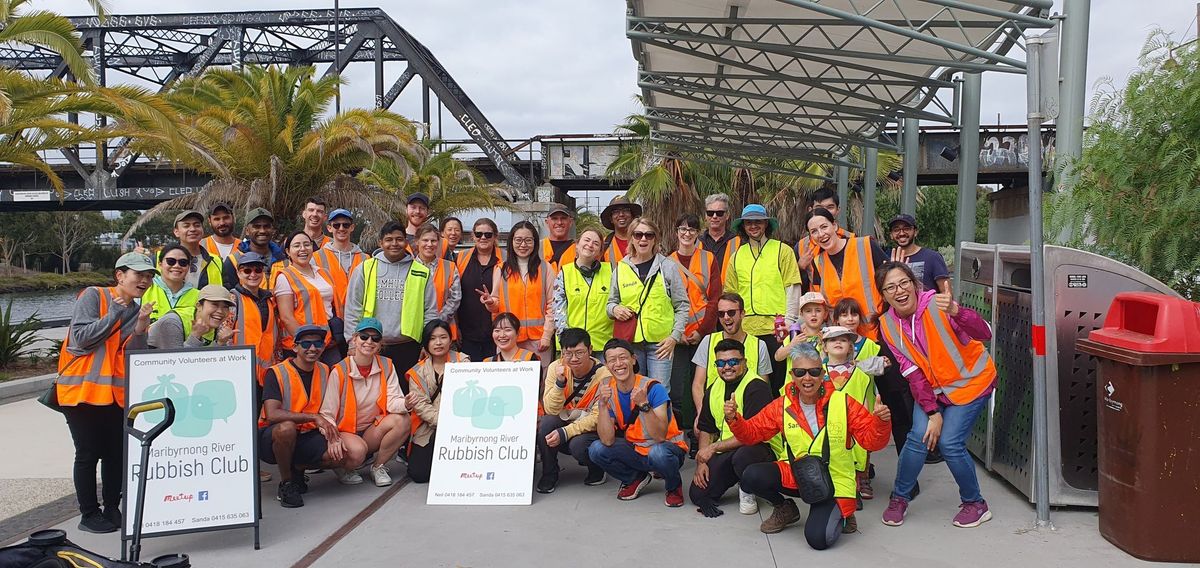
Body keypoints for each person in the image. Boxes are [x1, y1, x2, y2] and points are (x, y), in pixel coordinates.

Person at [729, 342, 892, 549]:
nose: (807, 378)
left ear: (822, 373)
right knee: (751, 475)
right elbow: (752, 434)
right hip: (799, 474)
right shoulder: (782, 404)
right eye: (800, 372)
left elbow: (873, 441)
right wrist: (734, 418)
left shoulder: (844, 402)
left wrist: (881, 421)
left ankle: (843, 513)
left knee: (818, 540)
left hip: (834, 481)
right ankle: (785, 508)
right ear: (792, 374)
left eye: (814, 372)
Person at [876, 261, 997, 529]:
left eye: (904, 283)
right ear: (883, 295)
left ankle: (975, 504)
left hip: (971, 382)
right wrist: (932, 412)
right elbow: (911, 372)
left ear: (915, 284)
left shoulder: (937, 305)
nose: (899, 291)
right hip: (934, 390)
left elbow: (985, 333)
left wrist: (957, 311)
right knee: (918, 437)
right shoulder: (886, 324)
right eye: (890, 287)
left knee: (950, 443)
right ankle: (900, 498)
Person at [57, 252, 155, 533]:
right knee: (88, 453)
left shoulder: (137, 309)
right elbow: (81, 339)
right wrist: (115, 313)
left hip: (114, 394)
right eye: (139, 275)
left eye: (148, 276)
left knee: (115, 454)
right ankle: (89, 513)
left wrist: (140, 328)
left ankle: (112, 507)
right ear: (120, 275)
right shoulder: (94, 296)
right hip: (81, 392)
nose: (145, 280)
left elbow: (133, 356)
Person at [807, 207, 915, 462]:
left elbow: (889, 282)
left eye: (824, 226)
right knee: (850, 406)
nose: (821, 234)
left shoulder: (866, 246)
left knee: (895, 403)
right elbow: (821, 305)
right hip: (843, 347)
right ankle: (859, 468)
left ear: (835, 225)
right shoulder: (817, 262)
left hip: (878, 338)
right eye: (814, 231)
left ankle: (908, 474)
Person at [258, 325, 356, 508]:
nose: (313, 348)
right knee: (286, 429)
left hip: (307, 434)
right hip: (272, 437)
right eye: (306, 344)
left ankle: (297, 469)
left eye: (318, 343)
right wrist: (313, 418)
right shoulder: (276, 372)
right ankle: (287, 483)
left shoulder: (325, 370)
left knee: (345, 455)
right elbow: (272, 414)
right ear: (295, 347)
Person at [588, 339, 689, 507]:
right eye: (612, 360)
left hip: (666, 448)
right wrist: (602, 406)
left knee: (658, 453)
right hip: (636, 448)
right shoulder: (606, 387)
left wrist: (644, 405)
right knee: (596, 449)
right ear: (606, 365)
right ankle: (634, 478)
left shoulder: (653, 388)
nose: (618, 364)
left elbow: (659, 436)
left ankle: (673, 487)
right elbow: (607, 440)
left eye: (623, 357)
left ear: (633, 359)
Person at [689, 339, 778, 518]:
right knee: (698, 494)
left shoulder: (757, 387)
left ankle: (748, 489)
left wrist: (712, 448)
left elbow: (753, 435)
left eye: (733, 362)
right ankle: (738, 477)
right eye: (721, 363)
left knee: (744, 455)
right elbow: (706, 428)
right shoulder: (714, 387)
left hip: (761, 449)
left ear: (744, 362)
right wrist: (702, 462)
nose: (727, 367)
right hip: (727, 449)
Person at [343, 221, 439, 380]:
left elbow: (430, 311)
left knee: (405, 396)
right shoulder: (365, 268)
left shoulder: (421, 272)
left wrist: (428, 344)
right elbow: (353, 307)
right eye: (389, 239)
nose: (394, 243)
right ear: (381, 242)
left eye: (399, 239)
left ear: (406, 242)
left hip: (408, 347)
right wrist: (352, 343)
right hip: (370, 344)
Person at [323, 318, 411, 487]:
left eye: (375, 339)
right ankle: (344, 467)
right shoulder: (339, 370)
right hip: (346, 433)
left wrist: (405, 404)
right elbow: (327, 413)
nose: (369, 342)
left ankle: (378, 466)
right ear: (354, 339)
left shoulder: (387, 365)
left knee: (403, 419)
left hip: (371, 430)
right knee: (357, 453)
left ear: (380, 344)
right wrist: (333, 439)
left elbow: (393, 401)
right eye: (364, 336)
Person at [725, 204, 804, 389]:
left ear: (766, 224)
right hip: (747, 331)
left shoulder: (783, 250)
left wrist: (789, 322)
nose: (753, 226)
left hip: (775, 330)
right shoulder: (736, 257)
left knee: (778, 383)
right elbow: (730, 295)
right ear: (742, 227)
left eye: (758, 221)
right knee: (750, 382)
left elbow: (792, 288)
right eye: (748, 222)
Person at [606, 217, 690, 387]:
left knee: (659, 392)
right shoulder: (621, 268)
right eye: (638, 235)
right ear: (631, 238)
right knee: (633, 391)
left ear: (655, 239)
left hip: (661, 344)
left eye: (648, 235)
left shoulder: (668, 267)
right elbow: (610, 303)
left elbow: (682, 305)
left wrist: (674, 337)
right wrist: (615, 309)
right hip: (631, 344)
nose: (643, 239)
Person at [536, 328, 611, 493]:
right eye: (568, 353)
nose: (574, 358)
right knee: (546, 423)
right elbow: (550, 409)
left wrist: (566, 432)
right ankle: (550, 472)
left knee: (579, 445)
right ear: (561, 352)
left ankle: (596, 468)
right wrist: (559, 383)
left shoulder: (604, 374)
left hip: (590, 429)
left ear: (590, 350)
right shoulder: (556, 367)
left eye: (579, 352)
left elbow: (598, 417)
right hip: (564, 422)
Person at [668, 213, 720, 441]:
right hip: (677, 336)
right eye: (682, 229)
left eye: (691, 229)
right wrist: (676, 334)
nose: (687, 234)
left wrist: (702, 331)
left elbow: (715, 299)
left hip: (703, 333)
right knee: (678, 388)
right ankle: (680, 435)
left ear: (698, 233)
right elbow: (663, 302)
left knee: (704, 386)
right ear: (676, 232)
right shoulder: (666, 262)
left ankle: (701, 435)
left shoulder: (708, 259)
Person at [821, 325, 885, 504]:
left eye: (843, 339)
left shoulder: (861, 375)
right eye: (833, 339)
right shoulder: (817, 373)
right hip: (827, 425)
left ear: (851, 346)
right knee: (829, 458)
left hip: (853, 426)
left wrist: (866, 427)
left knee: (853, 458)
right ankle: (831, 492)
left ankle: (852, 493)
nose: (838, 342)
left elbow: (865, 401)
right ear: (824, 346)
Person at [691, 293, 772, 430]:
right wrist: (702, 414)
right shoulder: (708, 341)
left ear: (742, 314)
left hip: (746, 420)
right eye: (721, 314)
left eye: (731, 312)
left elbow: (762, 388)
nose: (726, 317)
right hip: (713, 418)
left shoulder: (759, 346)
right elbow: (698, 384)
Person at [480, 220, 553, 368]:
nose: (523, 245)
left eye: (528, 240)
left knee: (539, 384)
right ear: (511, 241)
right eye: (518, 240)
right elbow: (497, 304)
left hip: (538, 340)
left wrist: (547, 335)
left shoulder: (546, 268)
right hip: (508, 339)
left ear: (535, 242)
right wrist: (490, 303)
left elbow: (553, 305)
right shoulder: (501, 269)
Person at [405, 319, 470, 483]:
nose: (438, 343)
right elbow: (420, 406)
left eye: (443, 337)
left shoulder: (463, 362)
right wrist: (444, 423)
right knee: (419, 475)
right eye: (432, 338)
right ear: (426, 343)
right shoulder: (417, 372)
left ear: (450, 339)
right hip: (430, 426)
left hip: (461, 425)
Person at [230, 252, 279, 433]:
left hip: (266, 371)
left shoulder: (270, 299)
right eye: (247, 270)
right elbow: (225, 335)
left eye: (257, 270)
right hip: (240, 370)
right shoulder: (232, 298)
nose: (253, 274)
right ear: (239, 273)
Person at [275, 231, 340, 364]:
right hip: (301, 345)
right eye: (297, 245)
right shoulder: (285, 277)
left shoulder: (323, 273)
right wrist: (307, 343)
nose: (303, 249)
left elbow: (332, 306)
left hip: (327, 341)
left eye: (306, 244)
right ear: (288, 251)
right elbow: (286, 317)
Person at [552, 228, 612, 359]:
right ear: (577, 245)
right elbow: (558, 310)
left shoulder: (612, 272)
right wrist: (565, 341)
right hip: (572, 346)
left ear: (600, 252)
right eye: (587, 240)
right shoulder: (564, 273)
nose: (590, 245)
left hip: (603, 346)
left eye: (596, 243)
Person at [454, 218, 504, 362]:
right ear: (472, 235)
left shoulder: (505, 258)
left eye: (488, 234)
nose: (483, 237)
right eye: (479, 234)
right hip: (467, 333)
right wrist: (456, 326)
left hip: (498, 333)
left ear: (495, 236)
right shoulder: (461, 258)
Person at [313, 208, 366, 321]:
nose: (341, 228)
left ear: (352, 227)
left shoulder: (365, 258)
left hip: (358, 321)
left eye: (346, 225)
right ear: (329, 228)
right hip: (329, 320)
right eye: (336, 225)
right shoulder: (316, 257)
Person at [147, 284, 236, 349]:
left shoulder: (214, 324)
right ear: (199, 305)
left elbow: (207, 361)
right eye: (214, 305)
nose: (220, 311)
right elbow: (178, 364)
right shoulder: (172, 322)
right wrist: (196, 335)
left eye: (225, 307)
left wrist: (220, 343)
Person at [223, 208, 287, 289]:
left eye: (266, 226)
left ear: (272, 230)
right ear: (247, 231)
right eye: (256, 226)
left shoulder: (284, 261)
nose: (262, 231)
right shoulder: (234, 261)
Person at [796, 187, 855, 276]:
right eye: (818, 207)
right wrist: (799, 267)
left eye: (830, 207)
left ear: (838, 210)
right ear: (810, 210)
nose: (823, 211)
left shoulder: (853, 239)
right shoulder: (801, 246)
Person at [413, 223, 462, 331]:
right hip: (414, 331)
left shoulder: (450, 267)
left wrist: (436, 323)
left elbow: (455, 299)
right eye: (425, 240)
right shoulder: (407, 268)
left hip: (444, 332)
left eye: (433, 241)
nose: (429, 244)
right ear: (417, 241)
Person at [887, 214, 951, 294]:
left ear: (915, 232)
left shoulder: (932, 257)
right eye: (896, 230)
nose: (901, 233)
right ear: (891, 235)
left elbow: (946, 293)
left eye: (906, 228)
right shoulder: (887, 261)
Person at [167, 209, 223, 288]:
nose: (193, 229)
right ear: (176, 232)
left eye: (197, 225)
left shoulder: (216, 261)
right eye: (186, 226)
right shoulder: (160, 259)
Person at [143, 244, 197, 323]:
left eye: (183, 262)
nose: (177, 266)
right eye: (171, 261)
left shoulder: (199, 296)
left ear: (188, 267)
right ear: (160, 264)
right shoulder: (143, 290)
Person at [698, 193, 742, 285]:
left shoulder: (739, 242)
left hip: (728, 297)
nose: (714, 216)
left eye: (719, 213)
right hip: (701, 298)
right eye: (710, 213)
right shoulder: (696, 242)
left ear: (727, 215)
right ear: (705, 216)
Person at [775, 292, 830, 362]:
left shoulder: (827, 336)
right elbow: (777, 357)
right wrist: (792, 345)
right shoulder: (795, 336)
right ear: (801, 314)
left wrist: (825, 346)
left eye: (818, 310)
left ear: (825, 314)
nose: (813, 314)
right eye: (808, 311)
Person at [600, 195, 640, 265]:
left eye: (626, 210)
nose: (621, 214)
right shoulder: (603, 244)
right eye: (616, 211)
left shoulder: (645, 240)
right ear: (611, 219)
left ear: (632, 216)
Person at [542, 203, 577, 273]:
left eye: (563, 218)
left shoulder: (579, 248)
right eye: (554, 218)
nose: (559, 222)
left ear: (570, 222)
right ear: (547, 222)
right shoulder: (537, 247)